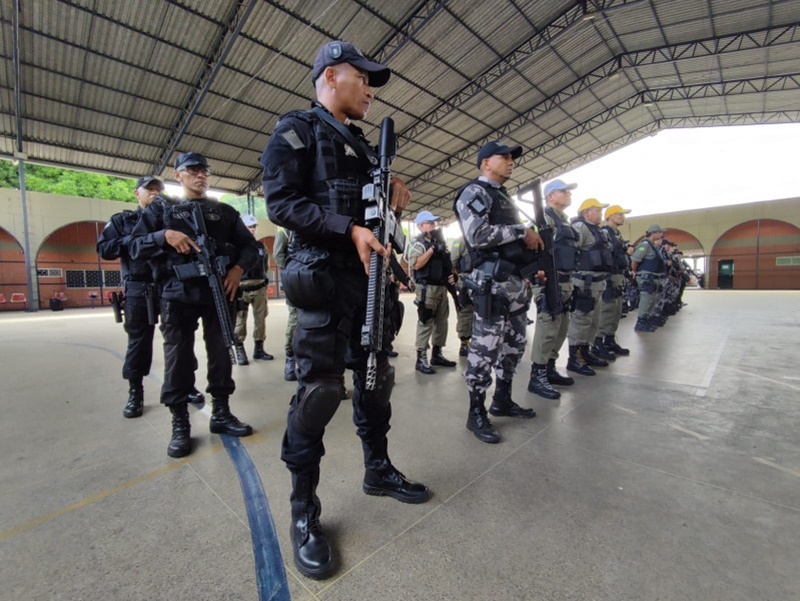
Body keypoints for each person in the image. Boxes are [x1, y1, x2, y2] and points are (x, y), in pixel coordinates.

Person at [260, 40, 430, 580]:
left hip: (370, 282)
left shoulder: (362, 148)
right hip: (324, 280)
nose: (371, 92)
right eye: (364, 80)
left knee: (376, 381)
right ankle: (303, 511)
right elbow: (282, 204)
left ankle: (377, 470)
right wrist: (347, 228)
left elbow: (373, 217)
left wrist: (389, 196)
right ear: (332, 75)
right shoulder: (297, 131)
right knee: (321, 392)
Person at [129, 152, 257, 458]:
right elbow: (135, 246)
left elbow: (250, 248)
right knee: (178, 358)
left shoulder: (225, 211)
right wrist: (164, 235)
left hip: (219, 293)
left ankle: (222, 414)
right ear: (178, 175)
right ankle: (180, 423)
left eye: (204, 171)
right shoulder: (161, 209)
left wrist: (238, 270)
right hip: (177, 294)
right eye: (193, 170)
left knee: (221, 354)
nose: (200, 176)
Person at [454, 140, 543, 444]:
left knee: (515, 346)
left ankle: (502, 399)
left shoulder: (502, 196)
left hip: (515, 284)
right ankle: (476, 412)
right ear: (484, 163)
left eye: (512, 158)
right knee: (484, 350)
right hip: (491, 284)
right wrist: (522, 231)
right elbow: (477, 235)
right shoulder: (474, 192)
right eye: (503, 157)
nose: (510, 162)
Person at [97, 176, 204, 418]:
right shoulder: (123, 220)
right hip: (139, 288)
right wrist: (137, 240)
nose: (155, 193)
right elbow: (105, 248)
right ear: (137, 193)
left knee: (181, 340)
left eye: (159, 189)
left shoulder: (173, 216)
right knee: (139, 342)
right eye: (150, 189)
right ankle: (136, 392)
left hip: (170, 285)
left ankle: (186, 386)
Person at [526, 179, 579, 399]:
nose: (568, 194)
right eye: (563, 191)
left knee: (561, 328)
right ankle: (537, 376)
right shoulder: (543, 219)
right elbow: (528, 246)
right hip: (549, 281)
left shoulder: (563, 221)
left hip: (566, 280)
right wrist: (535, 275)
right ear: (549, 196)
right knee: (548, 328)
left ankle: (549, 368)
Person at [406, 210, 457, 374]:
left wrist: (453, 276)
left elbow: (447, 265)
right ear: (421, 226)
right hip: (426, 289)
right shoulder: (417, 243)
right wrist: (432, 250)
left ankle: (437, 354)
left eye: (434, 222)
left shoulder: (439, 242)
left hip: (441, 288)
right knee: (425, 322)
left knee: (442, 322)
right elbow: (416, 265)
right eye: (430, 222)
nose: (434, 225)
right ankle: (421, 359)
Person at [566, 198, 613, 375]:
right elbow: (572, 252)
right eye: (597, 210)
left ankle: (585, 352)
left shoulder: (596, 230)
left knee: (593, 322)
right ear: (586, 213)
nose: (600, 213)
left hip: (598, 282)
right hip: (584, 283)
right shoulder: (580, 228)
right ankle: (575, 358)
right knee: (580, 321)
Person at [233, 214, 274, 365]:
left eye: (253, 227)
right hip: (241, 289)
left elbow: (266, 266)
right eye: (248, 227)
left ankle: (259, 349)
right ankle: (240, 350)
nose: (251, 229)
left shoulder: (260, 246)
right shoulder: (234, 247)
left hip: (259, 288)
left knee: (260, 320)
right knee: (240, 321)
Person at [595, 205, 632, 357]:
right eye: (618, 214)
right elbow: (605, 254)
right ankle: (597, 343)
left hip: (618, 276)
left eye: (622, 214)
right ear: (609, 216)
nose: (622, 217)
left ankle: (609, 340)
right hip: (609, 276)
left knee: (616, 311)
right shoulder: (605, 232)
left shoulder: (617, 234)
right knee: (607, 311)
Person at [630, 224, 667, 332]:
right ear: (653, 233)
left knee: (651, 300)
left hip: (653, 277)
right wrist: (635, 272)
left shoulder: (652, 246)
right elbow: (635, 260)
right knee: (646, 300)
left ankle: (646, 320)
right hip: (647, 278)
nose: (661, 234)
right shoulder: (645, 245)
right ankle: (640, 322)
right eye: (660, 232)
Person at [273, 226, 298, 381]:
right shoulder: (285, 231)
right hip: (295, 280)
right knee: (295, 320)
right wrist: (293, 271)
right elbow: (278, 255)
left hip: (315, 279)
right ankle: (290, 358)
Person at [450, 235, 475, 357]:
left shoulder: (485, 238)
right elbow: (453, 262)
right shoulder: (460, 241)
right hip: (465, 281)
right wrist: (459, 278)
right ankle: (464, 344)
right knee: (465, 312)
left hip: (483, 281)